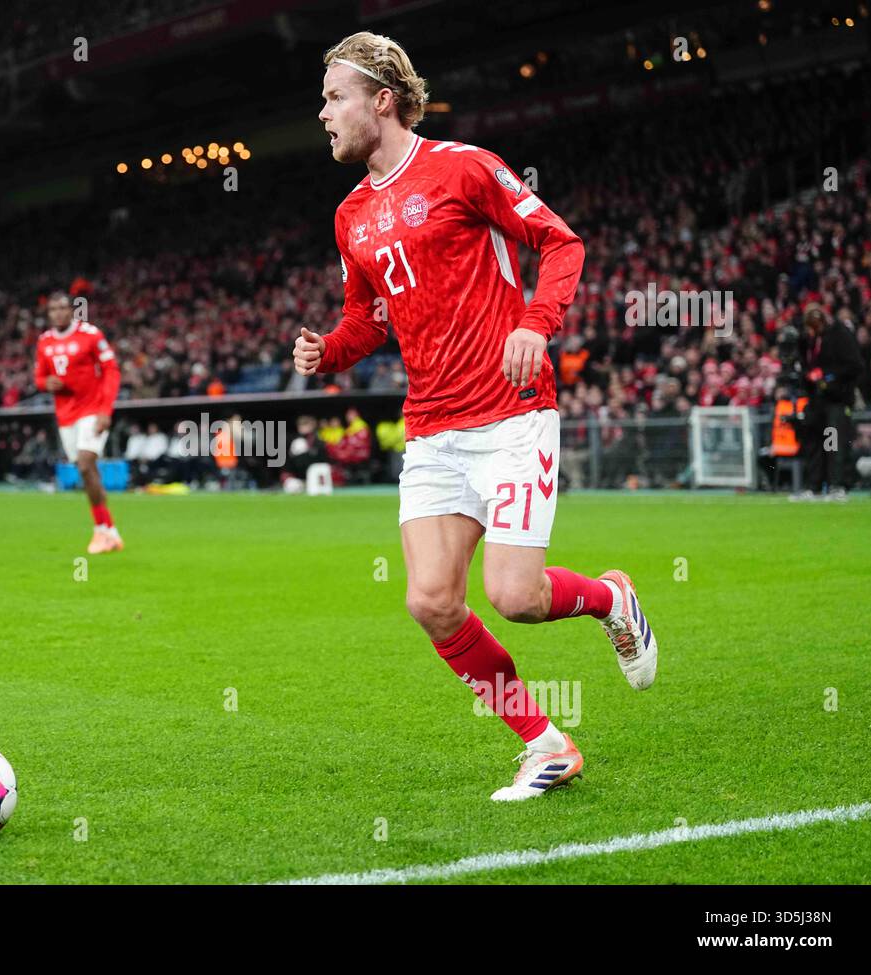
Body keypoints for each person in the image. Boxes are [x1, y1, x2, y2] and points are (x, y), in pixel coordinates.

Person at [295, 32, 659, 802]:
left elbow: (561, 244)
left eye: (334, 97)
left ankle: (611, 598)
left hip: (510, 414)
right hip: (432, 429)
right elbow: (368, 320)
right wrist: (327, 351)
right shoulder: (350, 215)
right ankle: (546, 742)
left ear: (381, 100)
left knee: (517, 598)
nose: (321, 113)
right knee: (430, 600)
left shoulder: (463, 166)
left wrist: (535, 323)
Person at [34, 291, 123, 552]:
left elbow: (111, 370)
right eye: (53, 309)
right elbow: (39, 376)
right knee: (88, 473)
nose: (58, 313)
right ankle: (111, 531)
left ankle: (99, 532)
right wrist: (45, 384)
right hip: (66, 416)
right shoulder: (44, 342)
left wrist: (106, 410)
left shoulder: (91, 335)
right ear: (49, 313)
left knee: (85, 465)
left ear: (72, 310)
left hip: (93, 410)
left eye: (63, 308)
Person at [799, 304, 864, 500]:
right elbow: (806, 363)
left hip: (837, 399)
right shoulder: (811, 339)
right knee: (814, 443)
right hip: (817, 399)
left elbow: (855, 366)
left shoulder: (840, 335)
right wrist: (809, 376)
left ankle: (837, 485)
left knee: (833, 442)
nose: (811, 330)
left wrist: (828, 377)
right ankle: (815, 486)